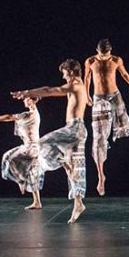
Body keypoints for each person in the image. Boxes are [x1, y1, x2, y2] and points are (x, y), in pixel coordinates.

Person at [11, 59, 90, 223]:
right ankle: (78, 203)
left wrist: (28, 92)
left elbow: (51, 90)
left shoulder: (75, 85)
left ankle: (61, 161)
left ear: (71, 71)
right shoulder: (77, 85)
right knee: (73, 169)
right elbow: (51, 92)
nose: (63, 76)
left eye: (64, 73)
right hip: (75, 130)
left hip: (74, 130)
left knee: (41, 144)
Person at [84, 39, 129, 196]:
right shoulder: (90, 61)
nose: (104, 57)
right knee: (98, 139)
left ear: (110, 51)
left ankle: (114, 132)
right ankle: (101, 176)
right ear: (97, 50)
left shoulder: (116, 60)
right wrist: (87, 95)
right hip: (99, 98)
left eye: (106, 54)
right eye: (102, 54)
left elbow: (124, 73)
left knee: (126, 126)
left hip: (115, 96)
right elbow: (87, 78)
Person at [0, 97, 44, 210]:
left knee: (8, 158)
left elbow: (9, 116)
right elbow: (10, 118)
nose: (24, 100)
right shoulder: (33, 114)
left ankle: (20, 179)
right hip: (34, 147)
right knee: (32, 173)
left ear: (32, 101)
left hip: (30, 148)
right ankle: (37, 202)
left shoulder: (29, 114)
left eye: (26, 99)